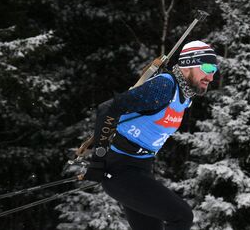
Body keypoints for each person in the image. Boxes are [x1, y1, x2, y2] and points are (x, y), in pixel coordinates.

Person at [83, 40, 218, 230]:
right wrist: (98, 160)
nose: (211, 76)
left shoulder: (185, 96)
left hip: (140, 170)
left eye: (214, 70)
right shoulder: (164, 87)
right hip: (119, 169)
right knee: (182, 216)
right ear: (188, 64)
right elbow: (107, 108)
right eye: (207, 67)